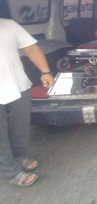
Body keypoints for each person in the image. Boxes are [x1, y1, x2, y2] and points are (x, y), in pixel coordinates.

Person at [0, 18, 54, 187]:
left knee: (21, 126)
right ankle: (11, 171)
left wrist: (45, 71)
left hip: (19, 86)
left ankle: (20, 157)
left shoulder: (9, 25)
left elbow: (31, 49)